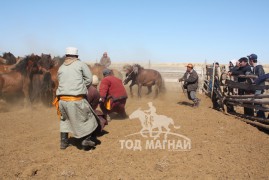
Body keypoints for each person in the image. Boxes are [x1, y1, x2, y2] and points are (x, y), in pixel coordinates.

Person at [53, 47, 98, 150]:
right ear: (77, 56)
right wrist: (81, 86)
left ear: (66, 56)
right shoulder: (81, 64)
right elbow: (89, 79)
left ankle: (63, 143)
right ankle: (85, 139)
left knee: (64, 119)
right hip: (75, 99)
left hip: (62, 101)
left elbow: (60, 81)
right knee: (87, 117)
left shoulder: (61, 67)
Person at [248, 54, 266, 118]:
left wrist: (255, 81)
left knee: (257, 102)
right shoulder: (254, 68)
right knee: (257, 102)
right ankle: (260, 117)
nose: (249, 61)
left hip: (259, 88)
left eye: (249, 60)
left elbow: (261, 77)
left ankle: (261, 117)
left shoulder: (259, 67)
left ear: (251, 60)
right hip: (257, 88)